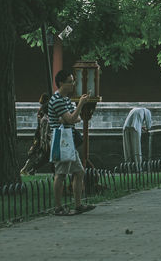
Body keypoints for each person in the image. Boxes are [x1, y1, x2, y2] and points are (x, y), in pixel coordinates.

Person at [48, 69, 97, 216]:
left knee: (79, 171)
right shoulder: (56, 99)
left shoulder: (66, 99)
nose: (72, 84)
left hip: (69, 139)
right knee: (61, 173)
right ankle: (58, 207)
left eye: (73, 81)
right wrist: (80, 104)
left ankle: (78, 204)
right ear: (61, 83)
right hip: (61, 140)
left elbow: (76, 118)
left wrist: (70, 116)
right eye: (70, 82)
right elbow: (71, 118)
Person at [21, 93, 51, 175]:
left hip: (38, 134)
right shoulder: (46, 108)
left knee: (36, 153)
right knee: (43, 154)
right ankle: (29, 169)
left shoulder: (40, 109)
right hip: (43, 135)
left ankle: (28, 168)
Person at [121, 106, 153, 170]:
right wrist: (147, 129)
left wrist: (141, 127)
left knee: (128, 149)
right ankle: (138, 168)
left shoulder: (135, 109)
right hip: (135, 129)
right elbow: (149, 125)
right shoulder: (148, 112)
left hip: (125, 128)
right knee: (136, 149)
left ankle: (129, 167)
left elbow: (135, 119)